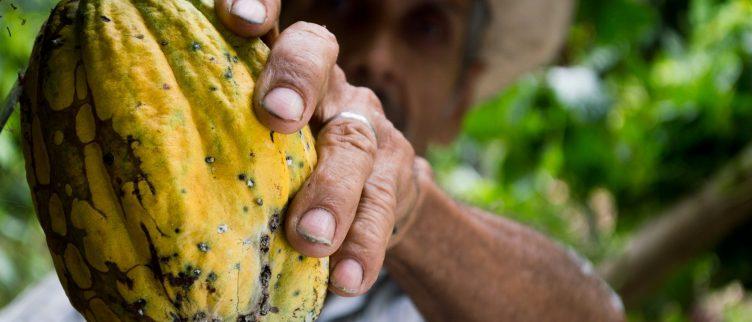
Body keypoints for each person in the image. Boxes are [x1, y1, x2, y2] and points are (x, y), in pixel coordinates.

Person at [0, 0, 626, 321]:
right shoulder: (72, 295)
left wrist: (408, 207)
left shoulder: (455, 300)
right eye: (346, 1)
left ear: (461, 98)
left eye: (427, 26)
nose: (379, 54)